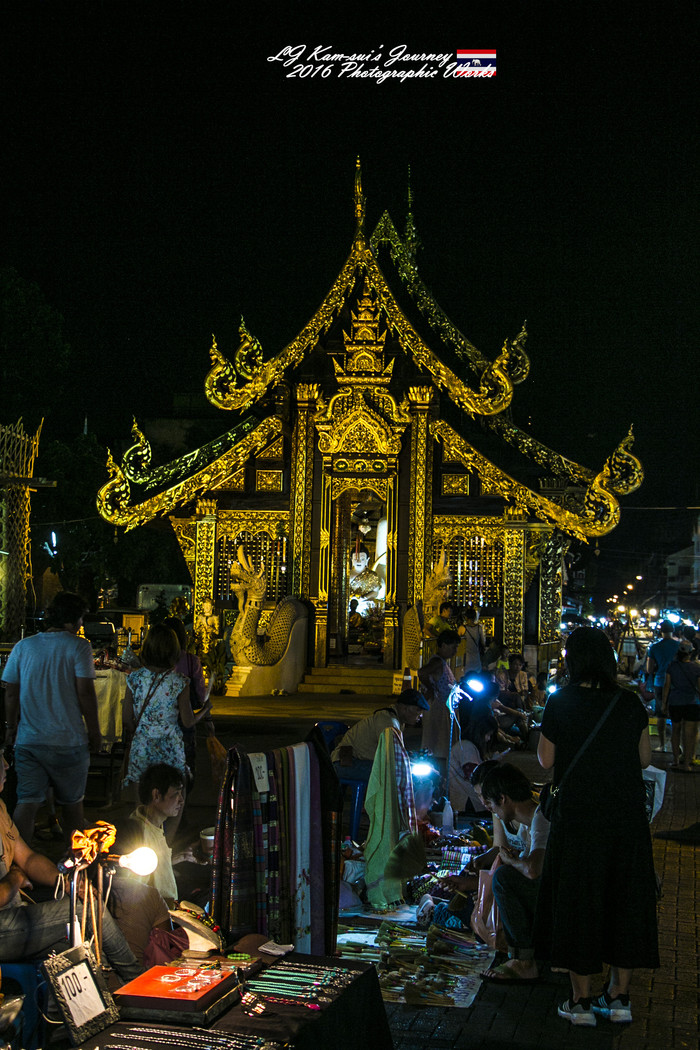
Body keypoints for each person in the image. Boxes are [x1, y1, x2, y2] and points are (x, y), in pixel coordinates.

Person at [535, 626, 659, 1027]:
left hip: (579, 820)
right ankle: (620, 997)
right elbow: (643, 759)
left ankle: (581, 1002)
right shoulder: (630, 703)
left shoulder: (562, 702)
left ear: (571, 661)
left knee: (579, 900)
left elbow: (545, 761)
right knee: (626, 900)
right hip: (625, 819)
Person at [0, 746, 141, 981]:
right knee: (82, 910)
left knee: (80, 942)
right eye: (0, 758)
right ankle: (137, 980)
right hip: (5, 928)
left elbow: (28, 858)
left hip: (15, 919)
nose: (6, 765)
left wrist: (66, 883)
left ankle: (109, 998)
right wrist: (14, 877)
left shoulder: (1, 809)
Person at [3, 592, 101, 847]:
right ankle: (75, 864)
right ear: (73, 618)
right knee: (73, 806)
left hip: (29, 741)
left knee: (27, 802)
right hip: (69, 742)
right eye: (80, 618)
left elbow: (11, 691)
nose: (81, 624)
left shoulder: (23, 647)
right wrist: (95, 732)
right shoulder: (79, 647)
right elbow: (85, 694)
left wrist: (11, 727)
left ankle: (16, 862)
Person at [435, 763, 549, 974]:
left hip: (552, 900)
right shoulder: (524, 819)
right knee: (494, 885)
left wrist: (510, 860)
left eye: (489, 801)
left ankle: (524, 962)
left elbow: (532, 871)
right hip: (540, 893)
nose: (489, 808)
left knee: (503, 878)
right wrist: (469, 884)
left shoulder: (539, 819)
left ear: (503, 798)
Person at [115, 764, 205, 906]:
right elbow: (134, 891)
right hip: (158, 916)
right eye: (175, 794)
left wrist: (178, 857)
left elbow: (150, 867)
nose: (181, 800)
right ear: (156, 795)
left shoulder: (154, 822)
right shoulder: (139, 834)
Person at [122, 625, 195, 795]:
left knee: (142, 804)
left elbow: (126, 718)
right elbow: (188, 721)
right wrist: (205, 710)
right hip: (170, 750)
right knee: (174, 801)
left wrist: (140, 731)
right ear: (174, 651)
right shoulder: (179, 682)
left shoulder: (134, 679)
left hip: (142, 748)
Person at [331, 690, 429, 782]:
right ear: (404, 708)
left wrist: (413, 755)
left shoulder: (397, 721)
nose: (420, 715)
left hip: (359, 761)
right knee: (398, 776)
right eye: (418, 710)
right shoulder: (388, 722)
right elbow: (392, 755)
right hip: (347, 764)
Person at [447, 700, 499, 813]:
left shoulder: (468, 745)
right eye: (488, 734)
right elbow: (474, 776)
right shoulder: (466, 747)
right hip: (466, 800)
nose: (488, 739)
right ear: (480, 732)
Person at [418, 630, 460, 765]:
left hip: (443, 707)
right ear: (443, 645)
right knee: (437, 742)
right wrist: (430, 687)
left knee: (441, 742)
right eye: (453, 647)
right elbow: (422, 672)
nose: (455, 650)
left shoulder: (443, 662)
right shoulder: (437, 662)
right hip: (438, 707)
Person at [661, 640, 700, 773]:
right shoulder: (696, 668)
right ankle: (687, 763)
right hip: (692, 703)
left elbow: (667, 686)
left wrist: (664, 704)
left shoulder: (672, 667)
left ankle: (676, 761)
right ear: (691, 652)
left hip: (675, 702)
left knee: (675, 731)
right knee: (689, 734)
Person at [646, 619, 680, 751]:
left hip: (660, 681)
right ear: (673, 630)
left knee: (661, 714)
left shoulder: (654, 647)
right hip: (677, 683)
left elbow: (649, 669)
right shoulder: (679, 646)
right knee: (676, 715)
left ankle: (662, 744)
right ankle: (677, 745)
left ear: (661, 631)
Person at [461, 607, 485, 675]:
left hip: (466, 659)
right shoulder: (479, 628)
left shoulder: (462, 628)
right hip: (476, 658)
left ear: (466, 617)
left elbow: (457, 643)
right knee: (477, 675)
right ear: (475, 617)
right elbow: (483, 643)